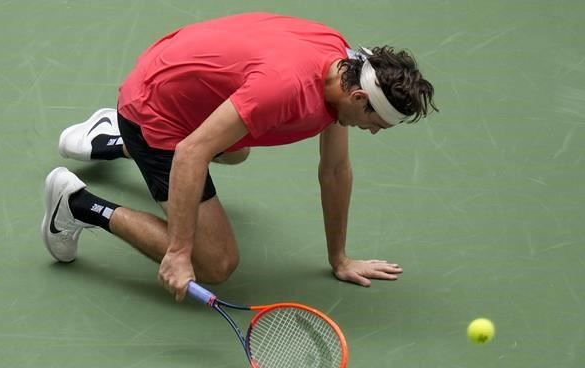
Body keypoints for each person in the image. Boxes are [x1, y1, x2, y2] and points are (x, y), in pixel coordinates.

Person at [41, 12, 437, 302]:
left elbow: (334, 170)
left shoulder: (342, 63)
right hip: (157, 110)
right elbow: (191, 152)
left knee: (236, 153)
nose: (370, 132)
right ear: (359, 98)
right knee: (216, 263)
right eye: (375, 125)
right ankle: (76, 205)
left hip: (178, 80)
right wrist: (178, 253)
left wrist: (340, 258)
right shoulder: (284, 90)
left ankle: (116, 139)